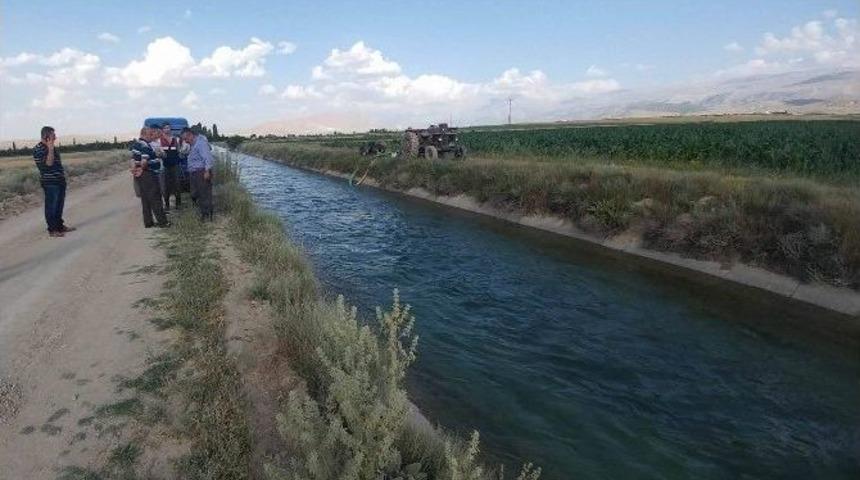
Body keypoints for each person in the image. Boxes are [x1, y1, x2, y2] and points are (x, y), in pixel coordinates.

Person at [33, 126, 75, 237]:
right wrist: (50, 148)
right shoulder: (39, 149)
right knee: (51, 206)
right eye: (53, 135)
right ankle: (52, 229)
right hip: (50, 182)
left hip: (59, 180)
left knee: (59, 205)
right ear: (46, 136)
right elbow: (49, 164)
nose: (55, 137)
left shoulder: (52, 148)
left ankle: (60, 226)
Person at [130, 127, 169, 228]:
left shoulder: (136, 144)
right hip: (149, 174)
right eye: (150, 134)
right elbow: (144, 161)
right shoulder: (144, 145)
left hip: (142, 176)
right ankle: (163, 222)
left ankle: (148, 222)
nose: (151, 136)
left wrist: (135, 170)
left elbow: (133, 160)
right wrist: (142, 169)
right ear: (144, 134)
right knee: (155, 198)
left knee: (145, 199)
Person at [180, 127, 214, 221]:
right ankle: (204, 212)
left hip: (202, 172)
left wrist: (207, 171)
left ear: (191, 135)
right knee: (196, 193)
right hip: (195, 172)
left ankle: (207, 215)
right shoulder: (192, 144)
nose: (185, 141)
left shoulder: (201, 143)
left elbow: (208, 158)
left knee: (205, 194)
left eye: (186, 138)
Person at [157, 123, 182, 210]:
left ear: (170, 129)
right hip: (164, 166)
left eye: (168, 128)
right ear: (162, 130)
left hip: (175, 165)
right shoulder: (159, 141)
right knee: (165, 186)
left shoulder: (176, 140)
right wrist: (160, 154)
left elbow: (179, 151)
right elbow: (158, 153)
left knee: (177, 184)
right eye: (165, 128)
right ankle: (167, 205)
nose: (167, 129)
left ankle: (178, 204)